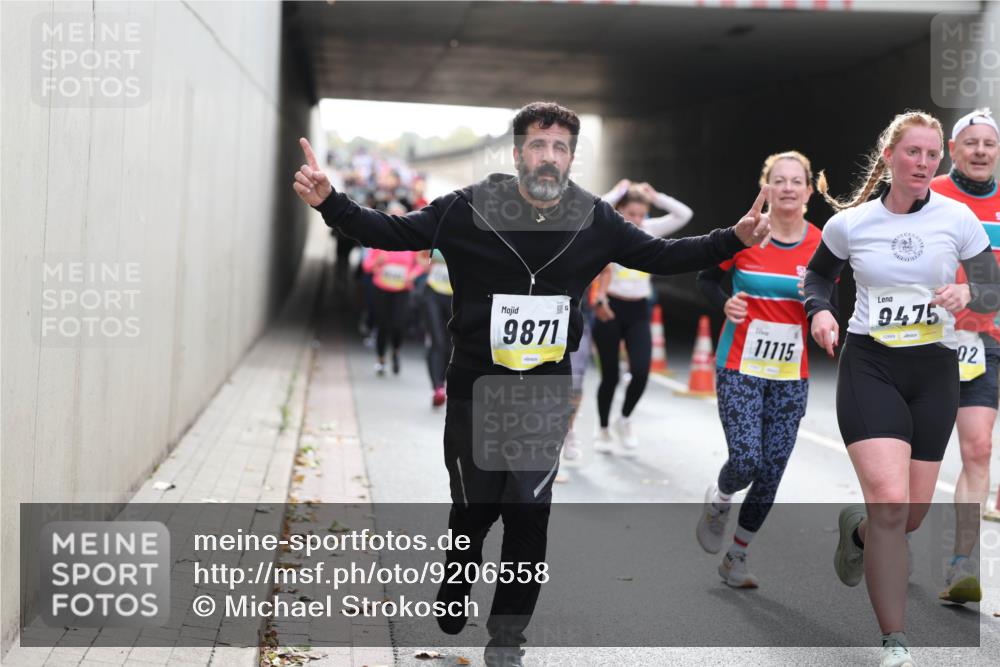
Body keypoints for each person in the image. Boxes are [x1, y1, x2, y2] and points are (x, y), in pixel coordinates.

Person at [293, 101, 770, 667]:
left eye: (561, 148)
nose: (549, 158)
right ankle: (458, 575)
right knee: (474, 509)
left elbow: (661, 255)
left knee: (528, 509)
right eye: (539, 146)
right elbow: (393, 232)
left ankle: (508, 638)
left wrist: (731, 239)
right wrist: (331, 203)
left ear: (570, 158)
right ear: (518, 153)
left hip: (543, 390)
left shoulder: (595, 219)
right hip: (475, 383)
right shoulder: (469, 207)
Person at [803, 110, 1000, 667]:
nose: (924, 163)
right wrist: (821, 312)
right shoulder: (851, 224)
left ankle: (859, 532)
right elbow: (819, 276)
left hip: (934, 370)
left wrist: (972, 298)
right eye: (913, 152)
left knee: (907, 517)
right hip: (871, 365)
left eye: (932, 155)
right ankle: (895, 641)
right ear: (889, 157)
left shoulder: (958, 218)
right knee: (892, 503)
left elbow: (990, 285)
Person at [694, 150, 822, 588]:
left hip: (791, 375)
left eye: (796, 181)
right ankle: (722, 496)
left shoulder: (821, 244)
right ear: (766, 188)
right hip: (740, 365)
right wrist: (723, 302)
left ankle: (737, 557)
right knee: (747, 458)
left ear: (808, 190)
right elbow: (707, 279)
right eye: (778, 180)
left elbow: (829, 302)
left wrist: (822, 314)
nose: (787, 188)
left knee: (771, 470)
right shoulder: (749, 234)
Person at [929, 108, 1000, 605]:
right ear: (953, 149)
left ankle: (961, 565)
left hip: (983, 342)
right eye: (970, 143)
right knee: (917, 461)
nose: (980, 151)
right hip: (924, 340)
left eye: (989, 144)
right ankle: (880, 533)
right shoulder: (928, 194)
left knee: (977, 450)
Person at [590, 180, 694, 454]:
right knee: (610, 376)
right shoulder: (610, 232)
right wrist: (616, 192)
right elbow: (591, 211)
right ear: (620, 211)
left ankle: (623, 419)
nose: (636, 220)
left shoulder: (649, 230)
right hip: (608, 308)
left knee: (641, 371)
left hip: (638, 311)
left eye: (641, 214)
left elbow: (684, 215)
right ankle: (602, 430)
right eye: (630, 214)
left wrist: (657, 196)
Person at [361, 201, 423, 375]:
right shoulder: (379, 240)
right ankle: (381, 360)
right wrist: (376, 263)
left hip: (402, 290)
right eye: (393, 215)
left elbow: (421, 264)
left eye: (400, 215)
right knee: (383, 325)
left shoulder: (411, 241)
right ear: (387, 217)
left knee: (398, 325)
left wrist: (413, 275)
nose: (396, 218)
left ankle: (395, 351)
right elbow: (366, 266)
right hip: (381, 288)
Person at [418, 248, 454, 407]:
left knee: (450, 344)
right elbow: (420, 255)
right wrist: (428, 264)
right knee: (437, 341)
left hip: (455, 297)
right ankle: (437, 388)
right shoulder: (439, 228)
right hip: (433, 292)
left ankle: (442, 381)